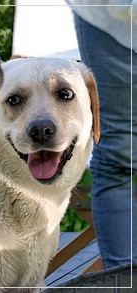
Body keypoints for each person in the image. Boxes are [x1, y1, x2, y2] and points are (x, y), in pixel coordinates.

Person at [66, 0, 137, 269]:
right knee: (117, 162)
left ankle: (125, 284)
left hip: (105, 15)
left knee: (116, 164)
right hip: (105, 15)